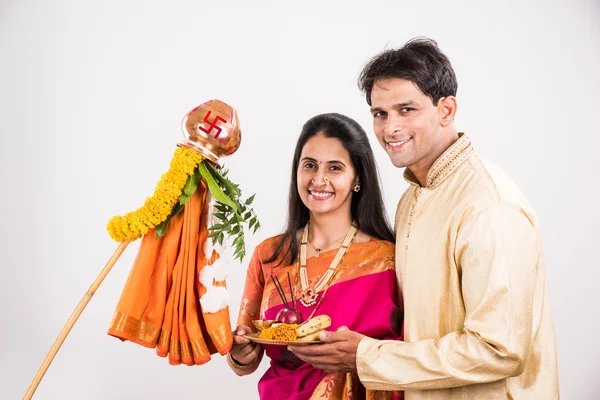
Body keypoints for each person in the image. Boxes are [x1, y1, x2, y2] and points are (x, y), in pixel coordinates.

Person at [289, 38, 559, 399]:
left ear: (446, 109)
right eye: (380, 113)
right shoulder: (413, 197)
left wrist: (367, 355)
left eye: (406, 109)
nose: (390, 128)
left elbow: (500, 350)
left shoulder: (488, 206)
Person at [228, 113, 403, 399]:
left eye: (334, 168)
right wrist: (240, 354)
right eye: (309, 165)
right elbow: (246, 352)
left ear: (357, 177)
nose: (318, 180)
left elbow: (412, 351)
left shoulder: (387, 259)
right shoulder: (270, 255)